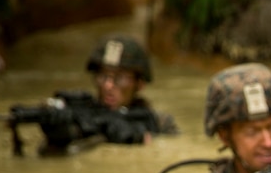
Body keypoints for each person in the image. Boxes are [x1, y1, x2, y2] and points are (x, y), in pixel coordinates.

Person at [37, 34, 175, 152]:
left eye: (119, 78)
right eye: (102, 76)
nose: (108, 85)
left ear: (139, 84)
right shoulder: (83, 116)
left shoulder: (158, 122)